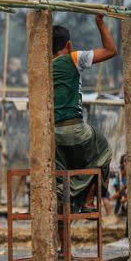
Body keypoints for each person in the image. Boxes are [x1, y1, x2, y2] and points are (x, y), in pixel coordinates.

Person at [52, 15, 117, 213]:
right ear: (69, 44)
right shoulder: (73, 57)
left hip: (53, 135)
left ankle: (67, 208)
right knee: (104, 150)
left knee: (60, 180)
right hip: (75, 128)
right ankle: (88, 201)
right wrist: (100, 23)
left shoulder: (41, 65)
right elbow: (111, 50)